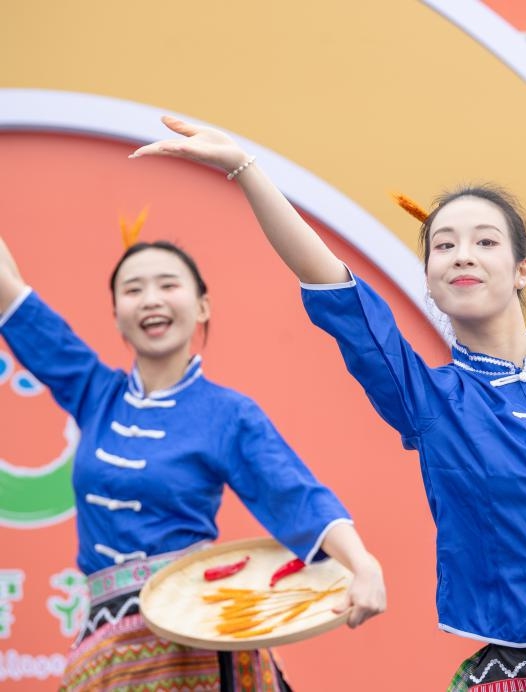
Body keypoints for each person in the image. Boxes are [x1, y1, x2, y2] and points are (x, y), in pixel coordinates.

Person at [130, 115, 526, 691]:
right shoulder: (430, 398)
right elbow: (337, 294)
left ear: (522, 268)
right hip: (517, 673)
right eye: (443, 245)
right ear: (432, 281)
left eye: (485, 241)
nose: (462, 255)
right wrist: (248, 172)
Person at [0, 233, 386, 691]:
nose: (151, 300)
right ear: (117, 318)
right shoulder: (94, 393)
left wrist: (362, 564)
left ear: (202, 306)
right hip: (103, 646)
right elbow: (12, 294)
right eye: (133, 289)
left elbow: (295, 496)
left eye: (168, 285)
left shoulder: (227, 413)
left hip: (196, 638)